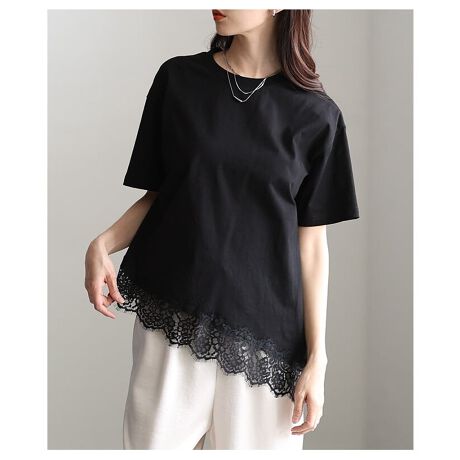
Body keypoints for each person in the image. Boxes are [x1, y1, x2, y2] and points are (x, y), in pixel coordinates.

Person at [84, 9, 360, 450]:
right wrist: (103, 243)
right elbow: (167, 194)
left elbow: (311, 246)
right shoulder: (178, 80)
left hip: (265, 342)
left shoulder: (317, 116)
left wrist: (317, 358)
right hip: (174, 320)